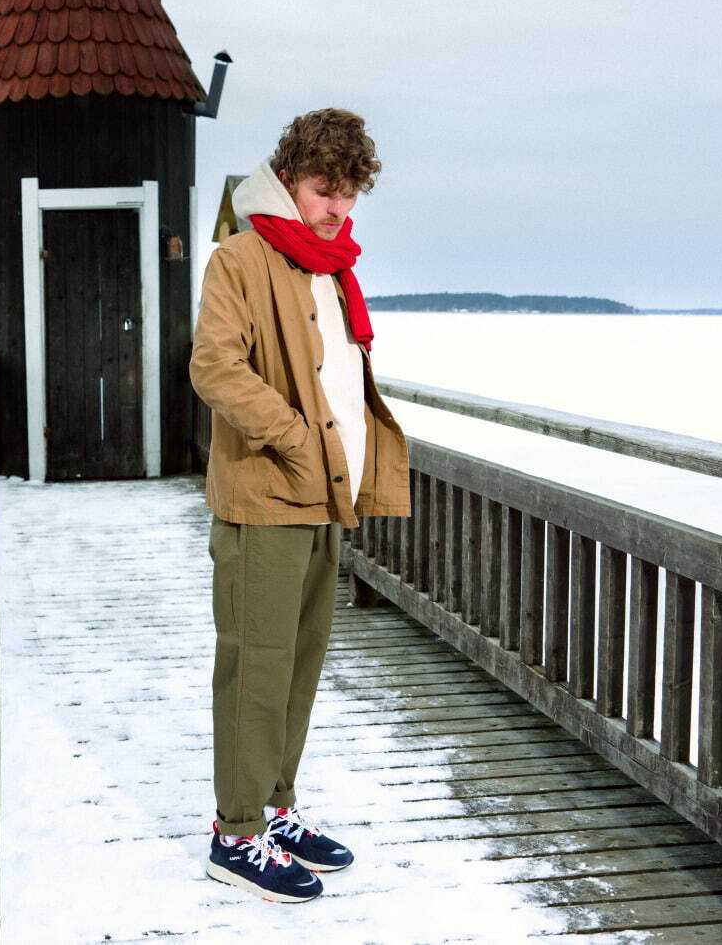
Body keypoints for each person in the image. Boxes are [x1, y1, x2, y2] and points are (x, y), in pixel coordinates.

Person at [189, 107, 411, 903]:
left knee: (301, 664)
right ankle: (236, 831)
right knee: (256, 665)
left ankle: (276, 809)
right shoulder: (241, 259)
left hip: (325, 499)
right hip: (265, 494)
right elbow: (214, 367)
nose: (338, 208)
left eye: (350, 194)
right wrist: (292, 435)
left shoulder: (329, 263)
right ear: (288, 179)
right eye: (325, 190)